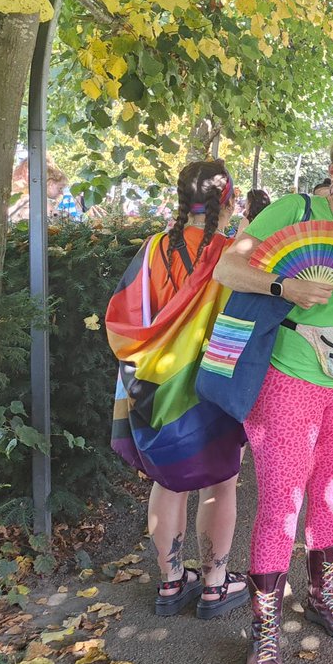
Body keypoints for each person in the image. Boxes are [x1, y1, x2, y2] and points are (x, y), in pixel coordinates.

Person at [214, 131, 333, 664]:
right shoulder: (295, 211)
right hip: (290, 378)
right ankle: (264, 628)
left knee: (332, 493)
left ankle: (322, 593)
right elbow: (227, 269)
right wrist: (284, 285)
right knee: (281, 501)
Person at [106, 160, 248, 620]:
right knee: (221, 484)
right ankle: (214, 585)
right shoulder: (231, 255)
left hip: (153, 387)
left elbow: (122, 323)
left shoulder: (151, 250)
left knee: (166, 485)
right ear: (229, 200)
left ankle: (170, 583)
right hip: (212, 387)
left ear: (182, 198)